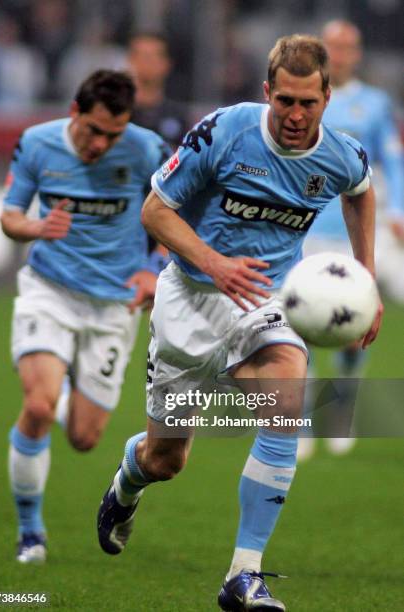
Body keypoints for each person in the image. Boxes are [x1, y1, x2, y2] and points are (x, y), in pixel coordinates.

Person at [96, 35, 382, 611]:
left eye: (308, 102)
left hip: (268, 298)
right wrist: (214, 262)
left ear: (328, 96)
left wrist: (365, 279)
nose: (296, 115)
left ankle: (243, 575)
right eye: (285, 102)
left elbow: (360, 193)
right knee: (166, 459)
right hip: (190, 298)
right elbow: (156, 210)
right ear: (266, 93)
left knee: (287, 394)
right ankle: (129, 480)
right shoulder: (224, 131)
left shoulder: (342, 153)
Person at [0, 69, 167, 564]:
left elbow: (175, 211)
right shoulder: (36, 143)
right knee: (36, 405)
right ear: (74, 111)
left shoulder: (148, 149)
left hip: (114, 303)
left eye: (113, 134)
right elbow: (9, 216)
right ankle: (31, 533)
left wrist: (152, 270)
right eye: (94, 130)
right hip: (48, 289)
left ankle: (66, 392)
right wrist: (36, 226)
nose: (101, 143)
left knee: (83, 438)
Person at [299, 19, 404, 459]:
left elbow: (393, 161)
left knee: (350, 327)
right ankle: (298, 420)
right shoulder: (304, 98)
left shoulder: (375, 105)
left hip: (351, 233)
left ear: (356, 53)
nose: (339, 55)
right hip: (303, 230)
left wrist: (397, 209)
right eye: (332, 46)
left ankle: (341, 406)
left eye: (347, 47)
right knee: (296, 326)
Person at [127, 31, 190, 149]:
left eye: (153, 57)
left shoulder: (178, 116)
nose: (147, 63)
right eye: (143, 56)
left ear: (166, 64)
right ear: (131, 61)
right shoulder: (118, 113)